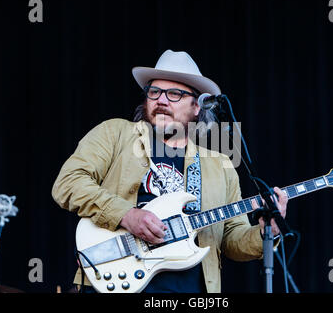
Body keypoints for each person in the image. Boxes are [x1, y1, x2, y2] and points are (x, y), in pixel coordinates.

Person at [51, 49, 288, 293]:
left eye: (174, 94)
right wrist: (126, 215)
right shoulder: (116, 134)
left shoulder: (219, 165)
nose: (161, 101)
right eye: (154, 92)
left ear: (197, 106)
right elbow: (68, 183)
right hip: (114, 279)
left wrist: (265, 231)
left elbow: (231, 240)